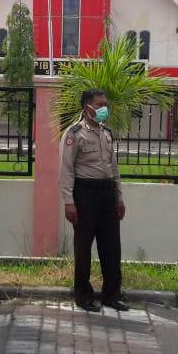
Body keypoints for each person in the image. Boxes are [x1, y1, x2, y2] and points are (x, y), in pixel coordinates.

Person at [59, 89, 129, 313]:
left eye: (104, 105)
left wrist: (119, 197)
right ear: (87, 107)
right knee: (83, 247)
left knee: (112, 247)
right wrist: (69, 202)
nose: (103, 109)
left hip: (107, 193)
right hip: (85, 193)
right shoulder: (74, 133)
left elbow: (114, 168)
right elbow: (66, 170)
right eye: (99, 105)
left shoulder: (106, 133)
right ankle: (83, 295)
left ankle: (112, 295)